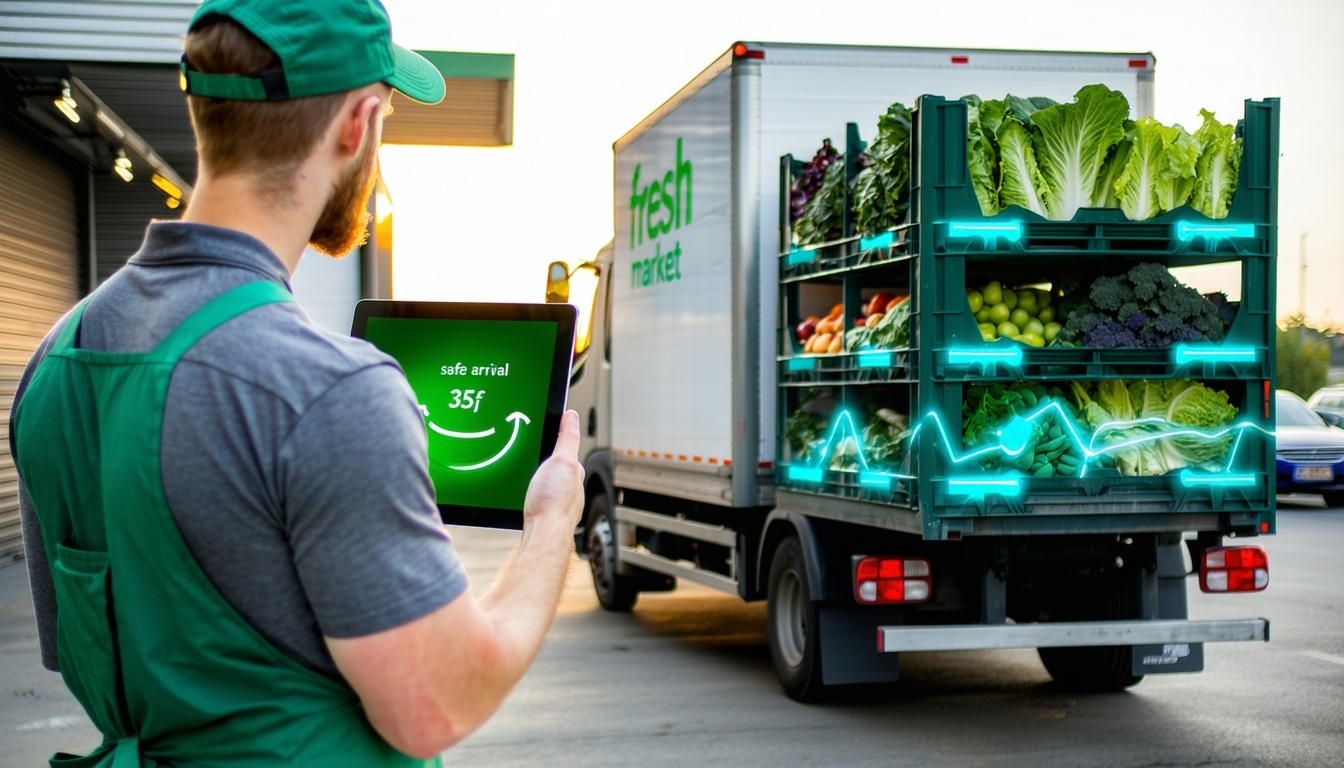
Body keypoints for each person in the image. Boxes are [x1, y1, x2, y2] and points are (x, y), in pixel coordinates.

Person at [8, 1, 585, 765]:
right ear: (358, 124)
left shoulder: (56, 358)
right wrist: (550, 525)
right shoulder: (330, 391)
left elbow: (101, 650)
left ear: (202, 109)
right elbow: (438, 706)